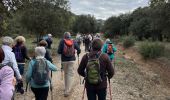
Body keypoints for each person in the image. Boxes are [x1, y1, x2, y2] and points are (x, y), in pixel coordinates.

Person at [57, 32, 81, 97]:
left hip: (64, 60)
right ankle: (67, 90)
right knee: (70, 75)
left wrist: (63, 51)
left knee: (66, 74)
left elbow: (58, 51)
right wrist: (77, 53)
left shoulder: (62, 41)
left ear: (64, 36)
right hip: (72, 60)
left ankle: (66, 88)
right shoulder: (73, 41)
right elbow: (79, 49)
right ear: (70, 36)